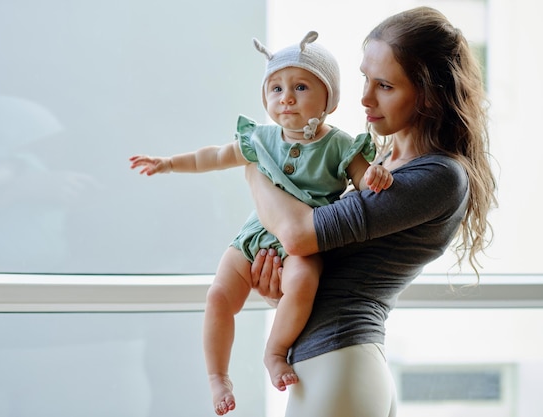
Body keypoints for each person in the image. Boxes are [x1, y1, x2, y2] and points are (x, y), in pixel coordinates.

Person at [245, 6, 497, 417]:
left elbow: (296, 232)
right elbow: (331, 266)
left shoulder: (438, 175)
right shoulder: (380, 160)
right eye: (365, 77)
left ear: (429, 94)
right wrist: (286, 293)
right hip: (334, 366)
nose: (363, 98)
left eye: (384, 85)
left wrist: (252, 161)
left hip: (341, 365)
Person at [130, 32, 393, 415]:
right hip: (254, 236)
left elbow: (362, 177)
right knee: (219, 296)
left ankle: (274, 351)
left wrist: (375, 176)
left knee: (302, 283)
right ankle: (218, 377)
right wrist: (169, 163)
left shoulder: (338, 144)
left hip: (301, 243)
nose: (285, 97)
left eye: (300, 87)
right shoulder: (261, 138)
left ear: (329, 98)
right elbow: (214, 156)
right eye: (275, 88)